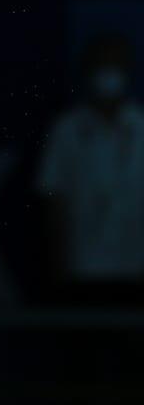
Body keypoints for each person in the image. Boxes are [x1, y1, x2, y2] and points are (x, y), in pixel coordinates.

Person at [37, 34, 144, 305]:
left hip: (135, 266)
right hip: (82, 267)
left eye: (115, 66)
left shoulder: (141, 126)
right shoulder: (66, 129)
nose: (108, 75)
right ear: (88, 73)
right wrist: (58, 266)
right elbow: (52, 197)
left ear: (127, 72)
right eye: (101, 66)